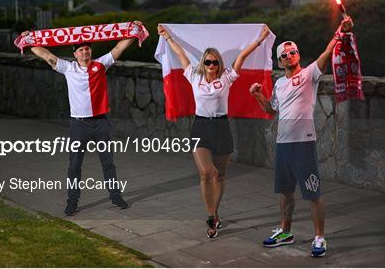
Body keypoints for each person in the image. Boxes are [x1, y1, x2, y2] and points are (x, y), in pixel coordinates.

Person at [249, 17, 353, 257]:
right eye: (284, 55)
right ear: (280, 60)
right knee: (285, 193)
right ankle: (286, 232)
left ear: (298, 54)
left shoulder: (309, 74)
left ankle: (319, 237)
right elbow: (270, 110)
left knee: (313, 193)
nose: (289, 56)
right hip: (283, 144)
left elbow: (328, 52)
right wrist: (257, 95)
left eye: (293, 52)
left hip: (304, 143)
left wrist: (340, 31)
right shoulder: (278, 84)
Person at [157, 24, 270, 238]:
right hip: (201, 126)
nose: (211, 64)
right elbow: (180, 53)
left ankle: (216, 213)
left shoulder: (226, 78)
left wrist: (260, 39)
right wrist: (168, 36)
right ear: (203, 63)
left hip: (221, 126)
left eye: (214, 62)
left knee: (221, 175)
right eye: (207, 61)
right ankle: (210, 215)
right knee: (207, 173)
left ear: (219, 64)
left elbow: (242, 57)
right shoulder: (194, 76)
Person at [20, 26, 141, 216]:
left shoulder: (101, 64)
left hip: (101, 122)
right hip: (79, 125)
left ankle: (115, 196)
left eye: (87, 48)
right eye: (81, 49)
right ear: (75, 54)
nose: (85, 51)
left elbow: (119, 49)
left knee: (108, 162)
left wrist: (134, 31)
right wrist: (29, 41)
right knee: (75, 165)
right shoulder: (68, 68)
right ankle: (72, 202)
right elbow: (47, 55)